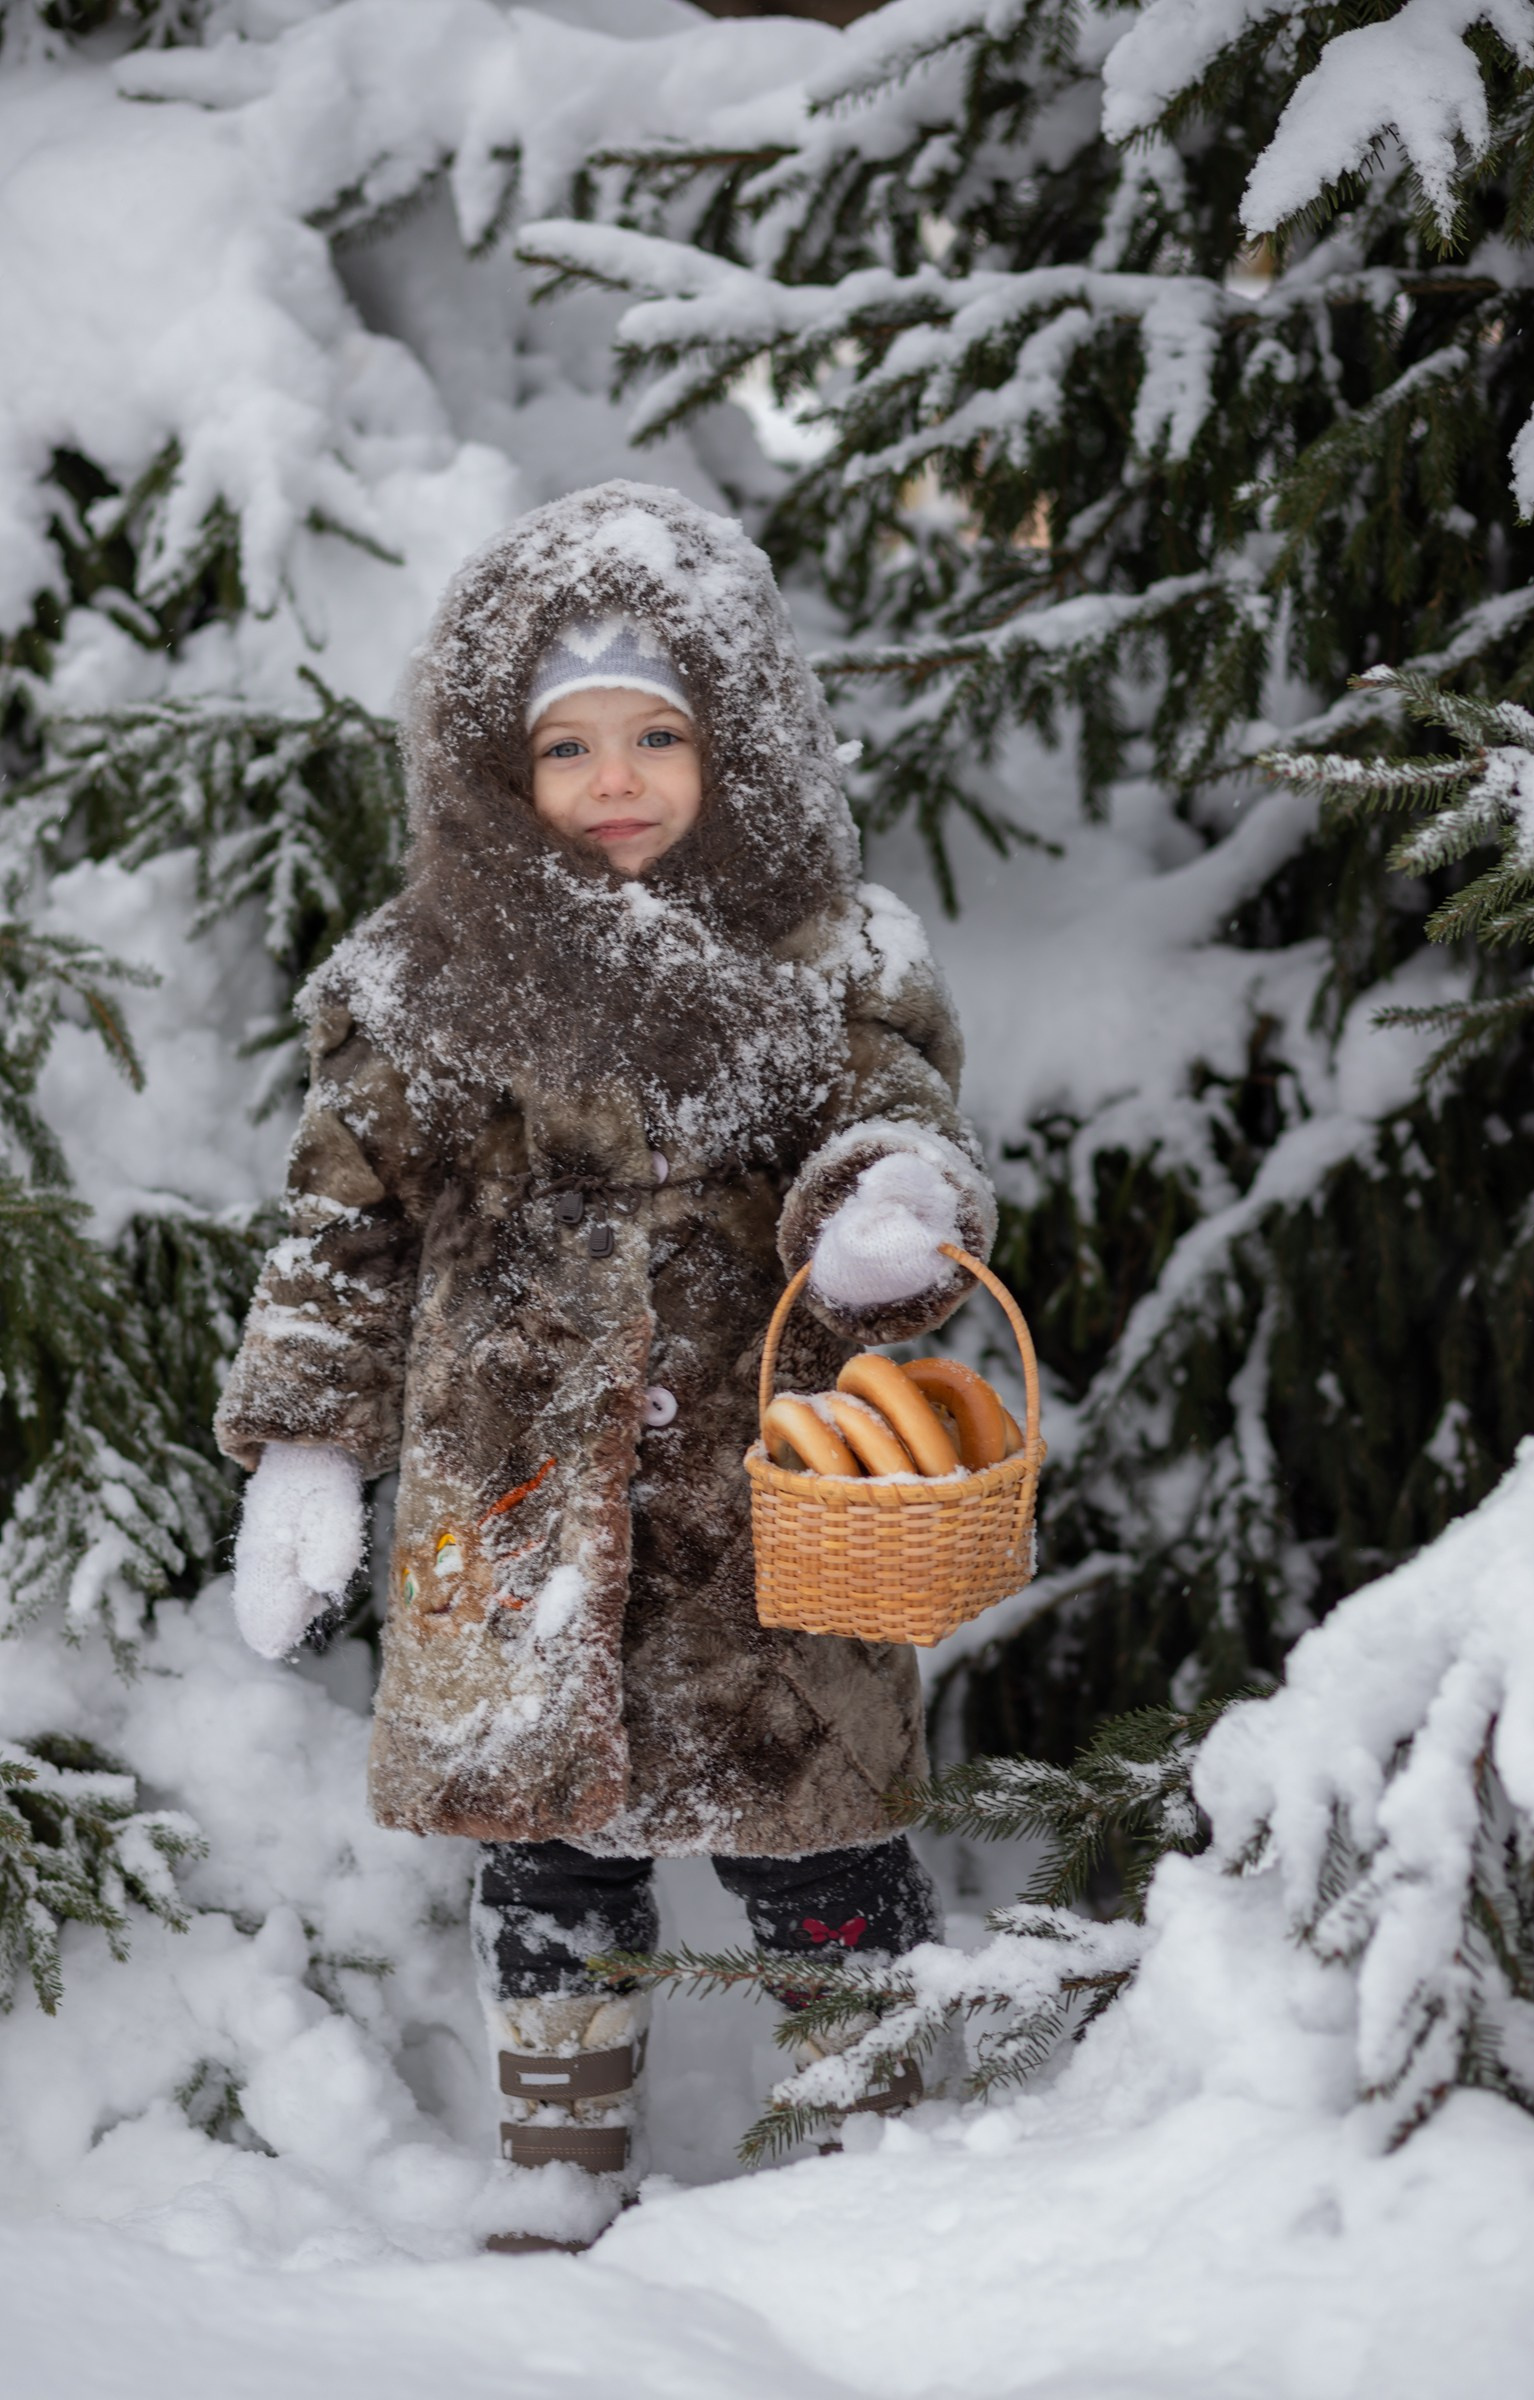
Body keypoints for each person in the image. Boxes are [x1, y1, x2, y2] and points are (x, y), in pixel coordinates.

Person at [215, 481, 996, 2251]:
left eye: (659, 734)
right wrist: (308, 1448)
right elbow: (343, 1224)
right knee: (549, 1842)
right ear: (500, 766)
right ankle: (557, 2169)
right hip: (514, 1514)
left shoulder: (830, 955)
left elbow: (896, 1120)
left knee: (821, 1832)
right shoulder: (423, 982)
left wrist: (885, 1206)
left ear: (739, 740)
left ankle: (872, 2153)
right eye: (568, 746)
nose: (616, 778)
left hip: (772, 1512)